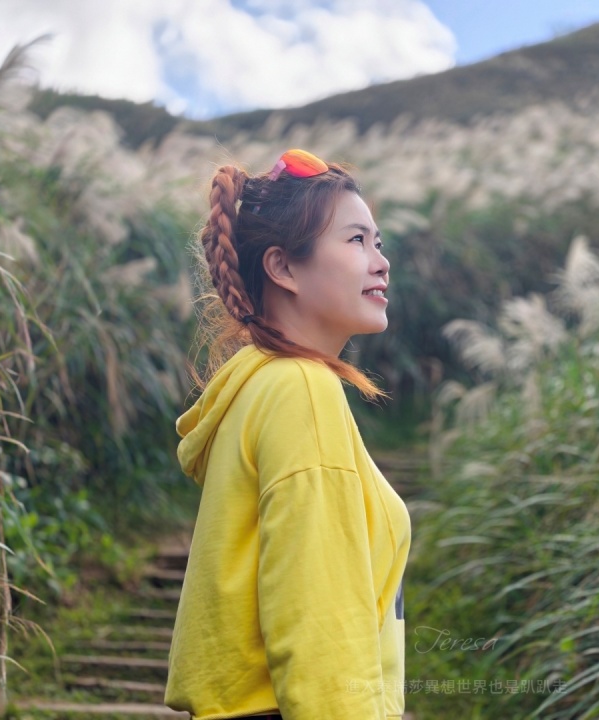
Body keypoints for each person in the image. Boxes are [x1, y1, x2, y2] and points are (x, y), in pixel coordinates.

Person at [165, 149, 410, 720]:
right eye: (356, 240)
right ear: (283, 268)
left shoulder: (258, 387)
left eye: (378, 242)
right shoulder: (302, 390)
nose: (381, 262)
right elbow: (319, 620)